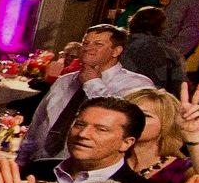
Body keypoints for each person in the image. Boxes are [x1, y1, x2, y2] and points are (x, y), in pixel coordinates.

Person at [21, 24, 150, 165]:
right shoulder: (64, 81)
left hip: (86, 168)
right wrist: (21, 160)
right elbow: (37, 124)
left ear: (116, 51)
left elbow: (120, 121)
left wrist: (92, 83)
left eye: (98, 44)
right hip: (37, 163)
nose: (88, 48)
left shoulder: (136, 84)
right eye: (86, 43)